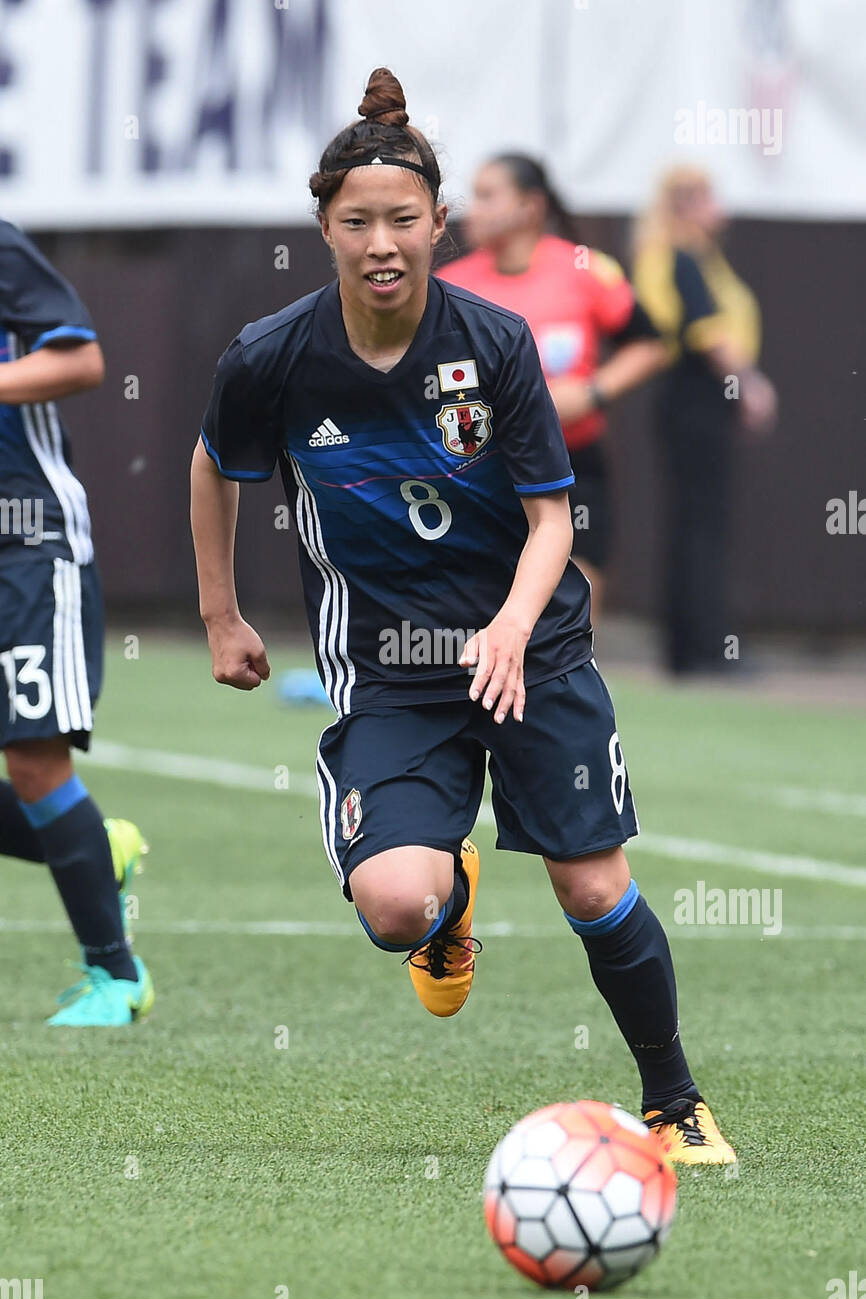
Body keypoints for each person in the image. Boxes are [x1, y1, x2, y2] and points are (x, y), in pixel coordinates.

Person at [191, 67, 735, 1163]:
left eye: (403, 219)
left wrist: (507, 628)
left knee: (590, 883)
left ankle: (674, 1105)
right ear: (324, 228)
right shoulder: (273, 355)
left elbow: (550, 520)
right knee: (396, 903)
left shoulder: (492, 345)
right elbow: (214, 465)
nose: (381, 242)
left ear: (438, 223)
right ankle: (444, 905)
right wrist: (220, 615)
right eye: (357, 223)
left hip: (530, 651)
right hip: (390, 671)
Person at [0, 218, 152, 1025]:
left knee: (32, 760)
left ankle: (116, 976)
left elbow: (82, 358)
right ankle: (100, 846)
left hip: (25, 545)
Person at [438, 154, 669, 624]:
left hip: (572, 463)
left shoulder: (584, 270)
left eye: (486, 195)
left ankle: (570, 693)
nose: (472, 209)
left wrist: (593, 392)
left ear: (529, 206)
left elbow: (651, 345)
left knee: (575, 603)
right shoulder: (450, 287)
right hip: (482, 470)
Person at [632, 167, 777, 675]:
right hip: (694, 393)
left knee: (695, 522)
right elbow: (705, 331)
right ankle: (703, 651)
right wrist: (749, 384)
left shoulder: (691, 256)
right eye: (708, 198)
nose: (720, 208)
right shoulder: (678, 255)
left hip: (696, 397)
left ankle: (693, 648)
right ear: (684, 203)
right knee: (699, 525)